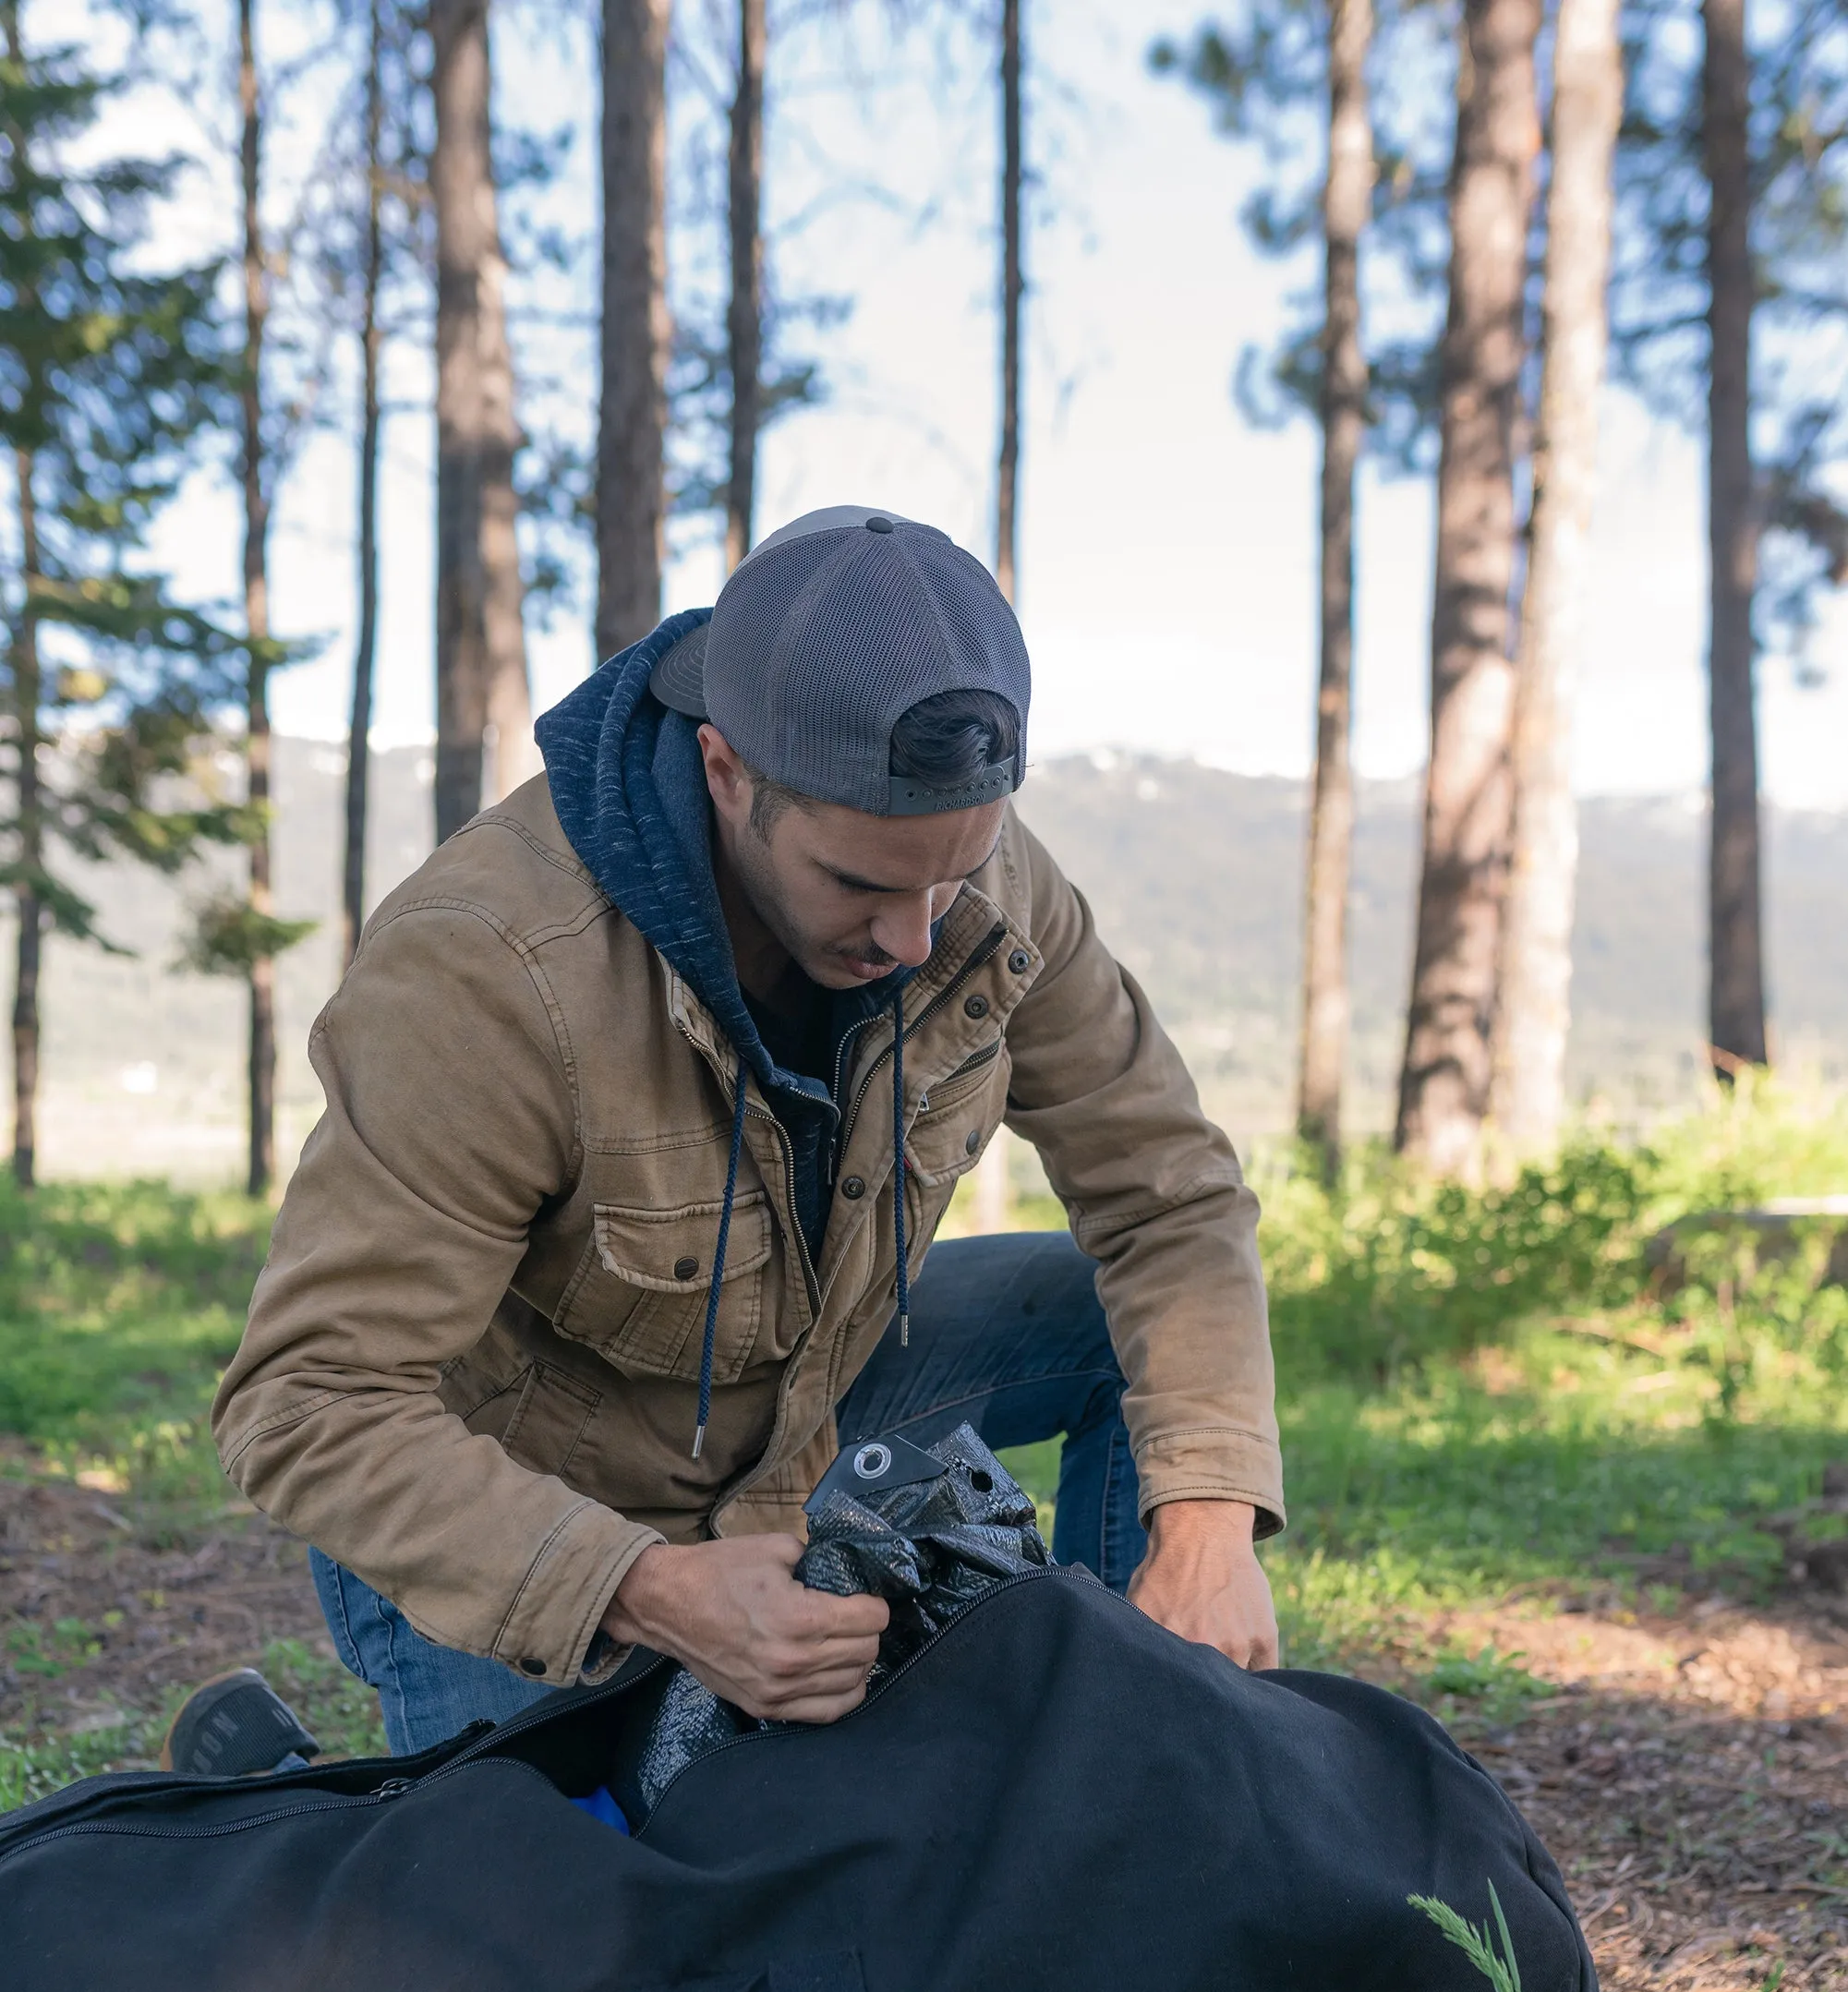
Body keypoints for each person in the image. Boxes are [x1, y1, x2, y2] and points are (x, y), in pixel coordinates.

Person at [211, 505, 1285, 1760]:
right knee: (578, 1933)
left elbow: (1169, 1195)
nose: (917, 938)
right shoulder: (491, 967)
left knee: (1129, 1338)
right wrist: (649, 1591)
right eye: (863, 886)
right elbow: (308, 1401)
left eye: (954, 874)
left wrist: (1205, 1525)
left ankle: (1138, 1761)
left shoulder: (975, 881)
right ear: (727, 773)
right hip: (524, 1500)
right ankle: (276, 1780)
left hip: (804, 1411)